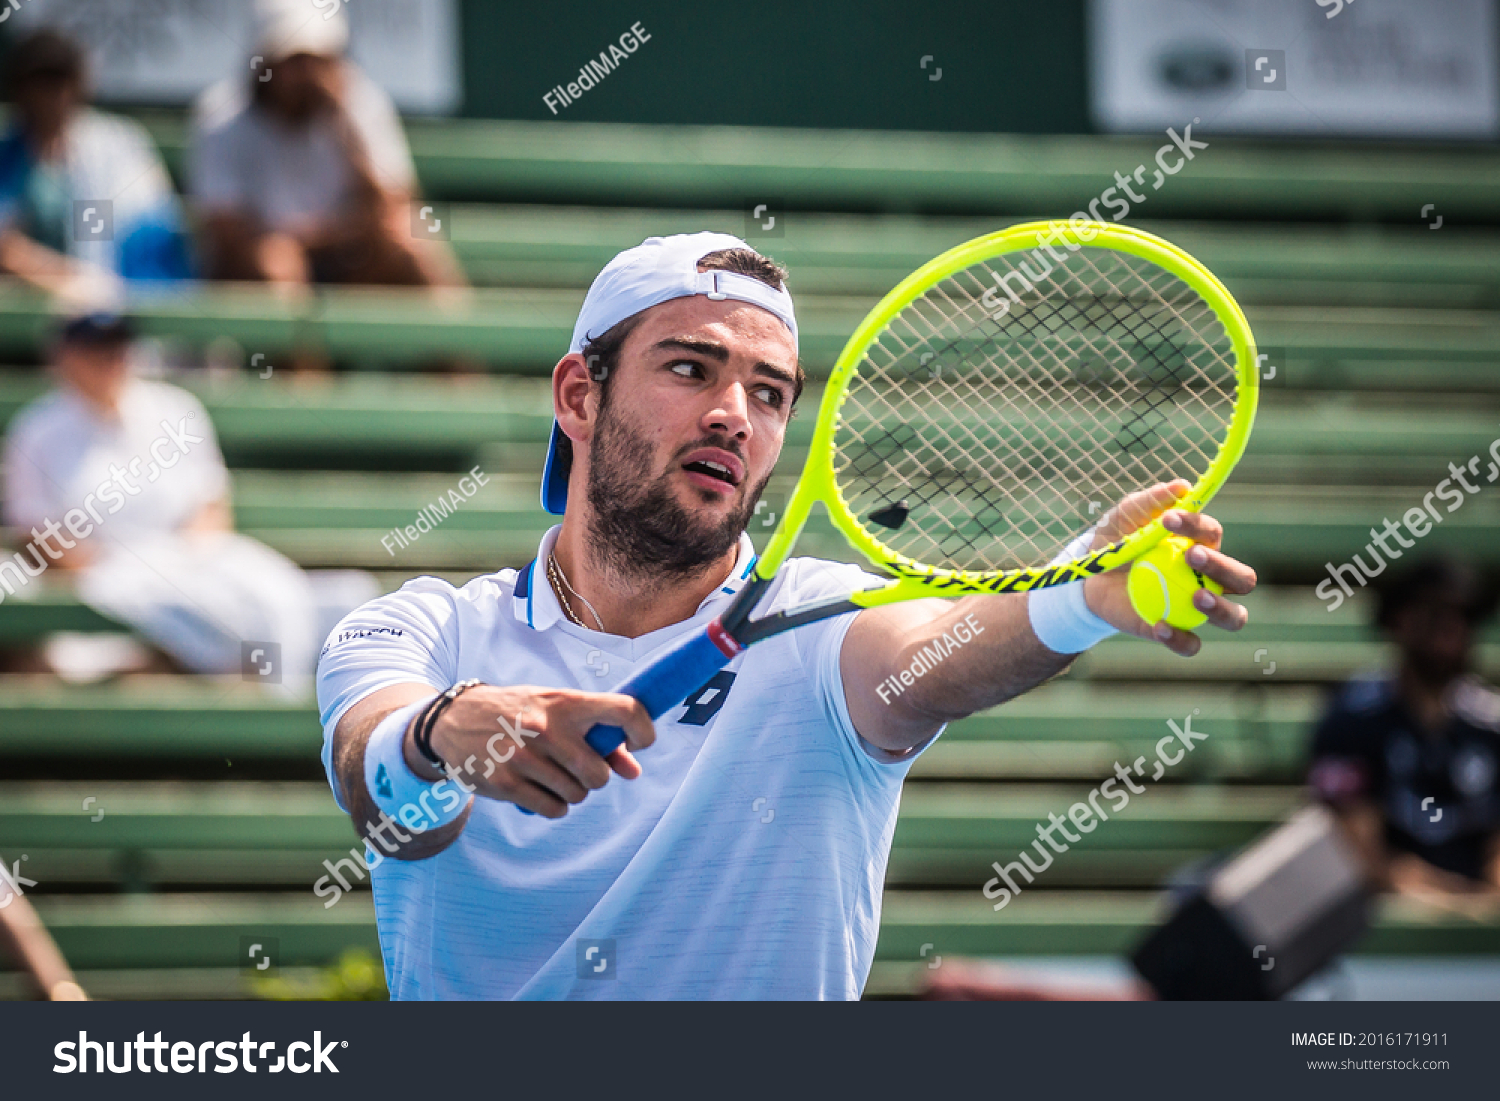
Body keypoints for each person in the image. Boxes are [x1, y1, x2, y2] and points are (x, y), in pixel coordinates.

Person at [316, 232, 1257, 1000]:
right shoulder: (420, 630)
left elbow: (939, 654)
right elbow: (383, 788)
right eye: (691, 368)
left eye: (769, 393)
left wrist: (1080, 597)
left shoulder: (820, 624)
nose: (734, 414)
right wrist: (444, 732)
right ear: (578, 395)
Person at [2, 312, 371, 685]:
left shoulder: (178, 410)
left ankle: (265, 681)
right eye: (94, 351)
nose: (109, 360)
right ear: (64, 357)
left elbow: (210, 505)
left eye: (116, 349)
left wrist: (180, 561)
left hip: (191, 561)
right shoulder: (36, 431)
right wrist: (123, 572)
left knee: (275, 593)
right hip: (102, 578)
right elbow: (39, 533)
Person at [188, 0, 464, 293]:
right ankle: (300, 340)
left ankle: (461, 338)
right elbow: (227, 233)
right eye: (295, 61)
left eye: (321, 60)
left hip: (350, 260)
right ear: (265, 63)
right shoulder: (222, 116)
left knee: (414, 242)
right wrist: (302, 243)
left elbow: (395, 204)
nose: (309, 75)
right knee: (277, 264)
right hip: (261, 269)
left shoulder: (361, 103)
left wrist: (348, 133)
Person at [1309, 556, 1500, 915]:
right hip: (1384, 924)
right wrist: (1452, 900)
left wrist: (1487, 903)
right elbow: (1358, 850)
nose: (1449, 630)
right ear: (1398, 621)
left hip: (1484, 926)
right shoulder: (1351, 721)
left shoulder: (1491, 725)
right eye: (1433, 614)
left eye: (1462, 616)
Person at [0, 29, 191, 305]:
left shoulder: (117, 145)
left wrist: (34, 265)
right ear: (20, 88)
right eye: (40, 81)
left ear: (78, 84)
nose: (52, 94)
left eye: (60, 80)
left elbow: (136, 246)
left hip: (114, 309)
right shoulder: (8, 153)